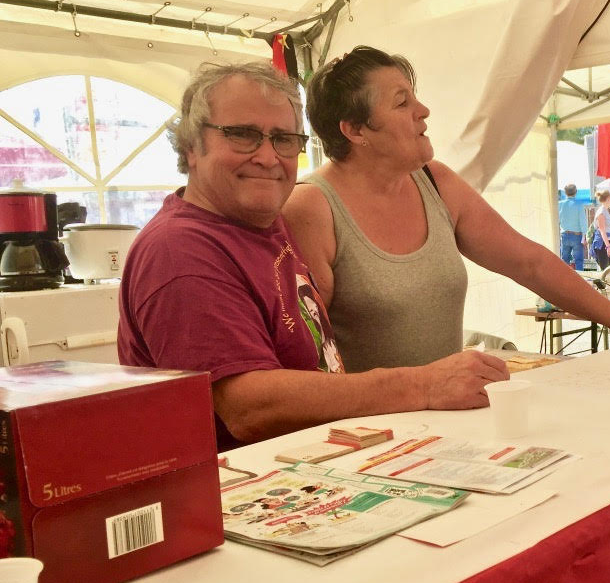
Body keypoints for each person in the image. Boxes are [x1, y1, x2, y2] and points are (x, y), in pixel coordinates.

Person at [118, 61, 512, 452]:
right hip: (241, 499)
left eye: (284, 139)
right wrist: (423, 384)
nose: (268, 157)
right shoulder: (181, 250)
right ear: (191, 146)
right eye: (242, 135)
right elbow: (248, 407)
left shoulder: (263, 226)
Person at [282, 47, 610, 373]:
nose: (423, 111)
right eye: (401, 103)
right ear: (355, 130)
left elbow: (528, 262)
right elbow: (312, 361)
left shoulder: (434, 181)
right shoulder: (312, 208)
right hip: (369, 439)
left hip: (446, 418)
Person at [557, 183, 588, 270]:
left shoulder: (560, 204)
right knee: (578, 261)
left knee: (564, 260)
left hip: (564, 235)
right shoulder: (579, 204)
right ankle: (579, 281)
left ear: (565, 192)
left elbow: (557, 220)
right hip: (577, 235)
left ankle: (564, 280)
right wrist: (584, 236)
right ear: (576, 192)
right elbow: (583, 221)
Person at [590, 188, 610, 269]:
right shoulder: (601, 211)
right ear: (608, 198)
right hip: (602, 244)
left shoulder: (605, 210)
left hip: (606, 242)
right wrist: (608, 247)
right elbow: (602, 230)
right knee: (605, 269)